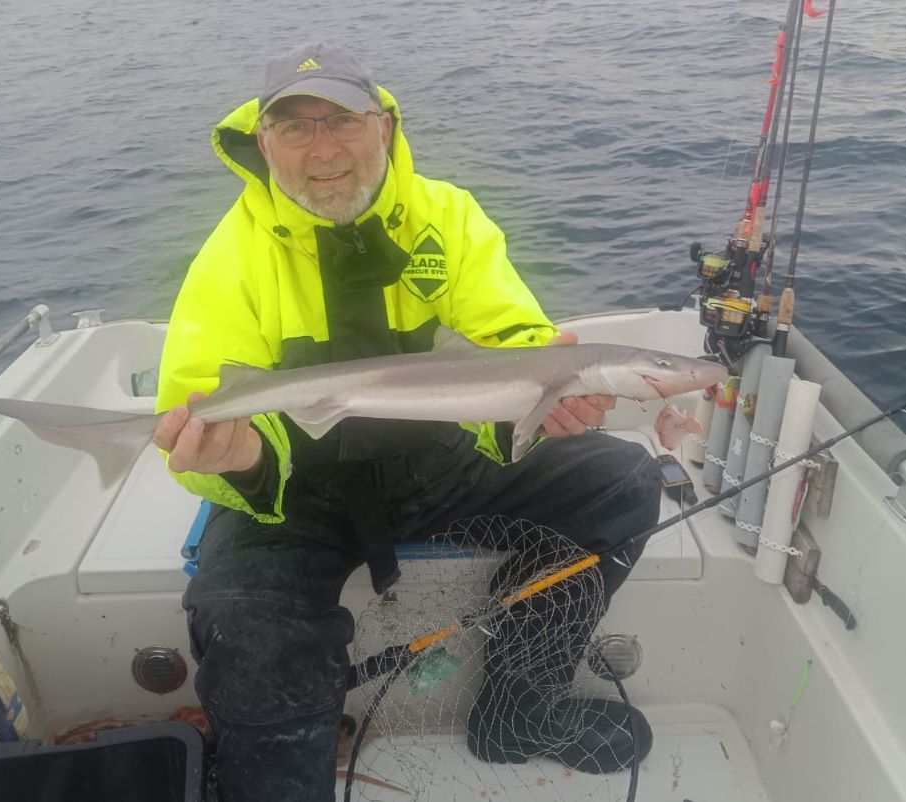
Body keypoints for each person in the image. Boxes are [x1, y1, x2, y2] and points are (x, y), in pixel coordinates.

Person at [153, 43, 660, 802]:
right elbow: (196, 398)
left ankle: (520, 709)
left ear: (384, 127)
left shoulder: (447, 217)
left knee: (622, 483)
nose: (323, 149)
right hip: (296, 495)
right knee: (245, 624)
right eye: (295, 128)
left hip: (444, 461)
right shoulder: (230, 259)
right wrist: (241, 459)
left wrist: (542, 396)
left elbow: (511, 337)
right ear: (264, 143)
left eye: (342, 121)